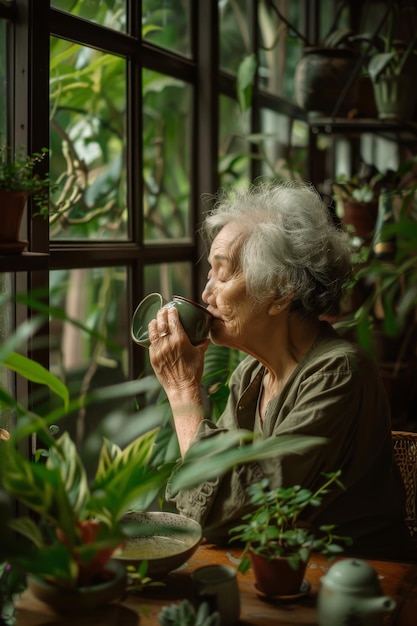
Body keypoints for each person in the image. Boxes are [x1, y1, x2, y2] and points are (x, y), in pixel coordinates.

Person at [147, 180, 416, 561]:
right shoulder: (250, 376)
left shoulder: (337, 373)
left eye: (223, 276)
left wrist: (182, 391)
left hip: (356, 584)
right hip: (279, 573)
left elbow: (223, 510)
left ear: (280, 291)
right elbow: (220, 510)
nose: (206, 293)